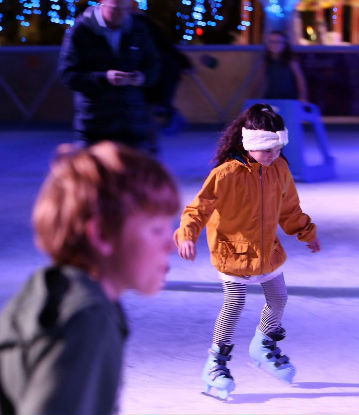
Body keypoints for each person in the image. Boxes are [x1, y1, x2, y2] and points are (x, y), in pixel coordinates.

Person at [0, 142, 180, 414]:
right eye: (156, 229)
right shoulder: (86, 322)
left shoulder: (58, 291)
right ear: (101, 235)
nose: (171, 244)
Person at [173, 103, 321, 399]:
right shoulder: (226, 174)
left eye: (278, 149)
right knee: (235, 303)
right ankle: (216, 362)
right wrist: (187, 235)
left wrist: (306, 231)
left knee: (279, 299)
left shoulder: (279, 168)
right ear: (249, 144)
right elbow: (197, 209)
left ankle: (263, 344)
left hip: (267, 252)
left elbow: (289, 208)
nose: (273, 155)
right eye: (267, 150)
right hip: (233, 252)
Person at [58, 0, 160, 154]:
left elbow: (154, 64)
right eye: (115, 9)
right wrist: (104, 78)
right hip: (95, 124)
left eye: (126, 9)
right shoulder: (81, 30)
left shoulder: (138, 29)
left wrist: (142, 77)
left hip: (132, 123)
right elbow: (68, 74)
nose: (121, 14)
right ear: (102, 5)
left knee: (137, 175)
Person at [261, 31, 308, 101]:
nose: (275, 45)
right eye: (272, 42)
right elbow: (260, 80)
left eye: (278, 42)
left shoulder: (291, 61)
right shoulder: (266, 61)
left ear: (285, 45)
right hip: (270, 97)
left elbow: (300, 80)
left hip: (289, 97)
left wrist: (303, 97)